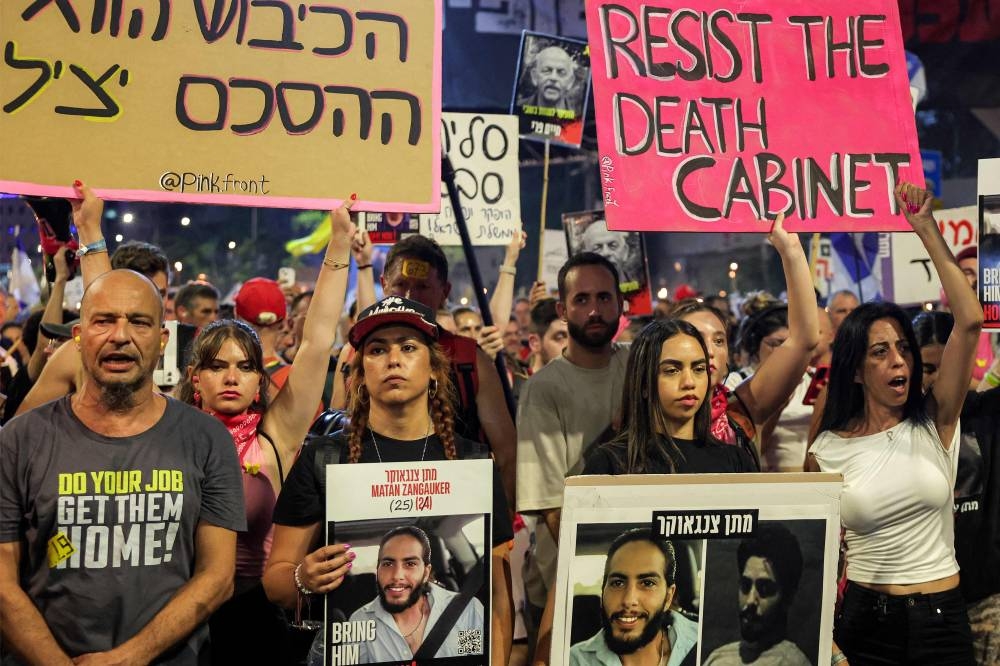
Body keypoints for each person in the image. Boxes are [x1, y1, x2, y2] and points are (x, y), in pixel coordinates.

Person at [0, 267, 245, 664]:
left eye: (139, 322)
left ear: (162, 340)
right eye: (103, 320)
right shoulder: (18, 440)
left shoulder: (207, 440)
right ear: (77, 338)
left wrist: (130, 657)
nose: (120, 335)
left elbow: (218, 578)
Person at [262, 295, 514, 666]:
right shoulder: (323, 459)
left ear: (433, 367)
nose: (393, 359)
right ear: (361, 371)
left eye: (408, 347)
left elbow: (498, 600)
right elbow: (275, 583)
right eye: (377, 350)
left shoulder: (472, 462)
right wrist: (304, 577)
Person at [174, 199, 356, 665]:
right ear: (196, 378)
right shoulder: (170, 434)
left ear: (260, 380)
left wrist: (338, 245)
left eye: (244, 367)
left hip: (259, 621)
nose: (231, 377)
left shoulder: (276, 434)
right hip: (181, 618)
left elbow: (317, 343)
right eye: (217, 367)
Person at [809, 183, 983, 665]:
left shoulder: (935, 418)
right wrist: (824, 636)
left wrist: (926, 227)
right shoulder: (826, 448)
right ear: (856, 371)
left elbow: (968, 322)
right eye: (880, 353)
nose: (898, 362)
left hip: (944, 619)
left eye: (903, 349)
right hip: (867, 623)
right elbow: (816, 552)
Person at [328, 234, 516, 508]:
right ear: (384, 284)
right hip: (371, 500)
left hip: (456, 503)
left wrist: (500, 533)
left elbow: (507, 452)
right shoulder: (356, 355)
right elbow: (339, 429)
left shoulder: (468, 358)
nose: (409, 296)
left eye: (422, 287)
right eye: (401, 284)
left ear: (445, 291)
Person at [517, 252, 631, 642]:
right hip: (564, 585)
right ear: (563, 310)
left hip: (634, 580)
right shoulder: (543, 389)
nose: (594, 310)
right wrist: (596, 578)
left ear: (621, 304)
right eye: (582, 300)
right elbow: (551, 505)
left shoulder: (640, 366)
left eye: (604, 298)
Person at [672, 213, 819, 470]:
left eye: (719, 341)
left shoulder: (739, 413)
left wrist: (792, 251)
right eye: (696, 337)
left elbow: (803, 340)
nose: (709, 350)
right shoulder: (641, 423)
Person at [914, 310, 1000, 664]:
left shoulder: (991, 413)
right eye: (928, 369)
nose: (937, 381)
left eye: (948, 366)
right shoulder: (895, 427)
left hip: (986, 602)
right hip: (921, 603)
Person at [16, 222, 172, 416]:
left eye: (161, 293)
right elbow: (19, 435)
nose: (120, 336)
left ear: (164, 339)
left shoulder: (190, 343)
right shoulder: (79, 349)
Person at [583, 318, 756, 475]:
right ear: (643, 382)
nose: (689, 382)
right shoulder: (609, 462)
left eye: (699, 369)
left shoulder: (735, 461)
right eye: (672, 371)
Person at [346, 526, 485, 662]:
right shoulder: (360, 621)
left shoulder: (466, 612)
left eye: (410, 564)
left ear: (426, 572)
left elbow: (474, 660)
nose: (397, 576)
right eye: (388, 564)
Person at [570, 529, 697, 666]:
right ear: (603, 591)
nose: (628, 600)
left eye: (647, 583)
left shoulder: (703, 642)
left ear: (668, 597)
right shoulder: (574, 660)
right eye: (617, 583)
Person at [703, 524, 810, 666]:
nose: (750, 600)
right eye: (746, 586)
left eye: (765, 589)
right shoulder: (717, 659)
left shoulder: (793, 662)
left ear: (787, 597)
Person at [518, 45, 578, 110]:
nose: (553, 78)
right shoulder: (516, 109)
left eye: (561, 73)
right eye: (547, 70)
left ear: (570, 82)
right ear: (534, 77)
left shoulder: (580, 117)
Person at [527, 298, 569, 373]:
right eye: (560, 337)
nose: (570, 346)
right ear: (535, 343)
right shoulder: (518, 383)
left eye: (573, 338)